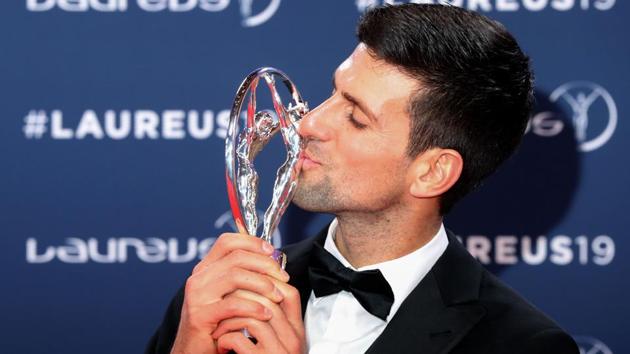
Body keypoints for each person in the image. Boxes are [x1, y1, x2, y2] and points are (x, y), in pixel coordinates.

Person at [146, 4, 579, 354]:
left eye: (355, 117)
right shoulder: (219, 291)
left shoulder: (522, 344)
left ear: (432, 172)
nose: (307, 124)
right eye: (333, 92)